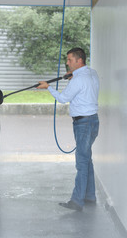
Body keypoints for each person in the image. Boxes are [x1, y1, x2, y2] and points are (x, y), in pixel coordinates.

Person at [37, 47, 99, 211]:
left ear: (79, 61)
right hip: (93, 122)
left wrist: (48, 88)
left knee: (82, 162)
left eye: (70, 60)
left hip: (83, 124)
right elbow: (81, 84)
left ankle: (78, 200)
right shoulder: (92, 73)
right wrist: (72, 77)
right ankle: (89, 196)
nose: (67, 62)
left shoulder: (78, 79)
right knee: (87, 160)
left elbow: (64, 98)